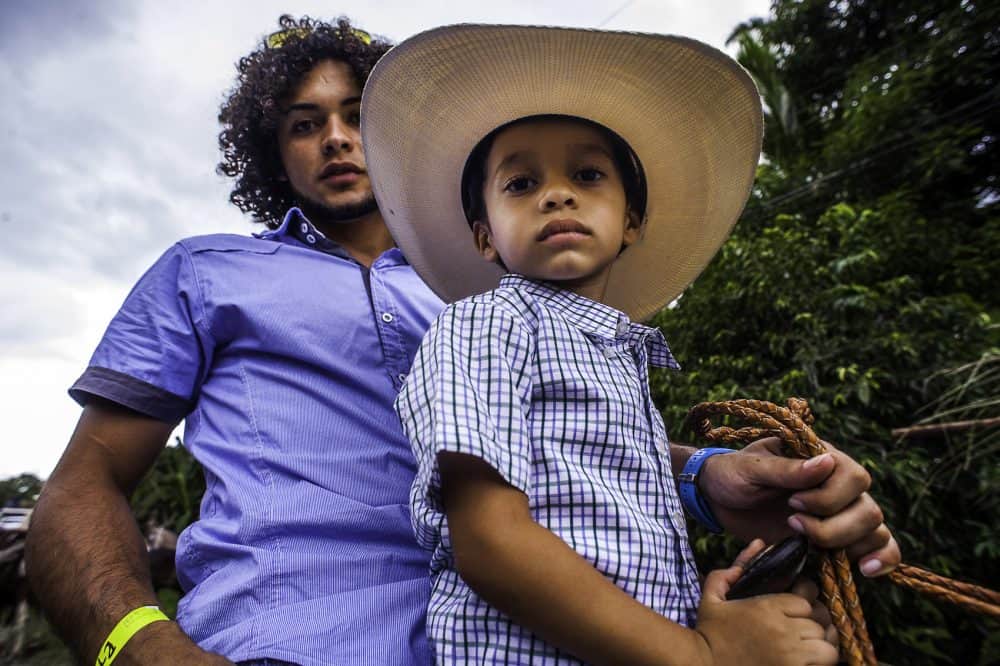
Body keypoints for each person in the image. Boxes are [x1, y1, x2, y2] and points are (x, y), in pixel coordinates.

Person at [25, 15, 897, 666]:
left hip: (546, 636)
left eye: (358, 114)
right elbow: (83, 486)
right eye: (302, 122)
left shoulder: (496, 296)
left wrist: (712, 478)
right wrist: (143, 649)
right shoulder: (202, 272)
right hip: (291, 640)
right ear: (273, 152)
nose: (335, 136)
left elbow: (561, 439)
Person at [366, 24, 888, 665]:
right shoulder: (484, 323)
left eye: (587, 174)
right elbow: (489, 541)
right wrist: (701, 655)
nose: (556, 193)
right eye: (520, 184)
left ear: (631, 222)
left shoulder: (619, 355)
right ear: (484, 237)